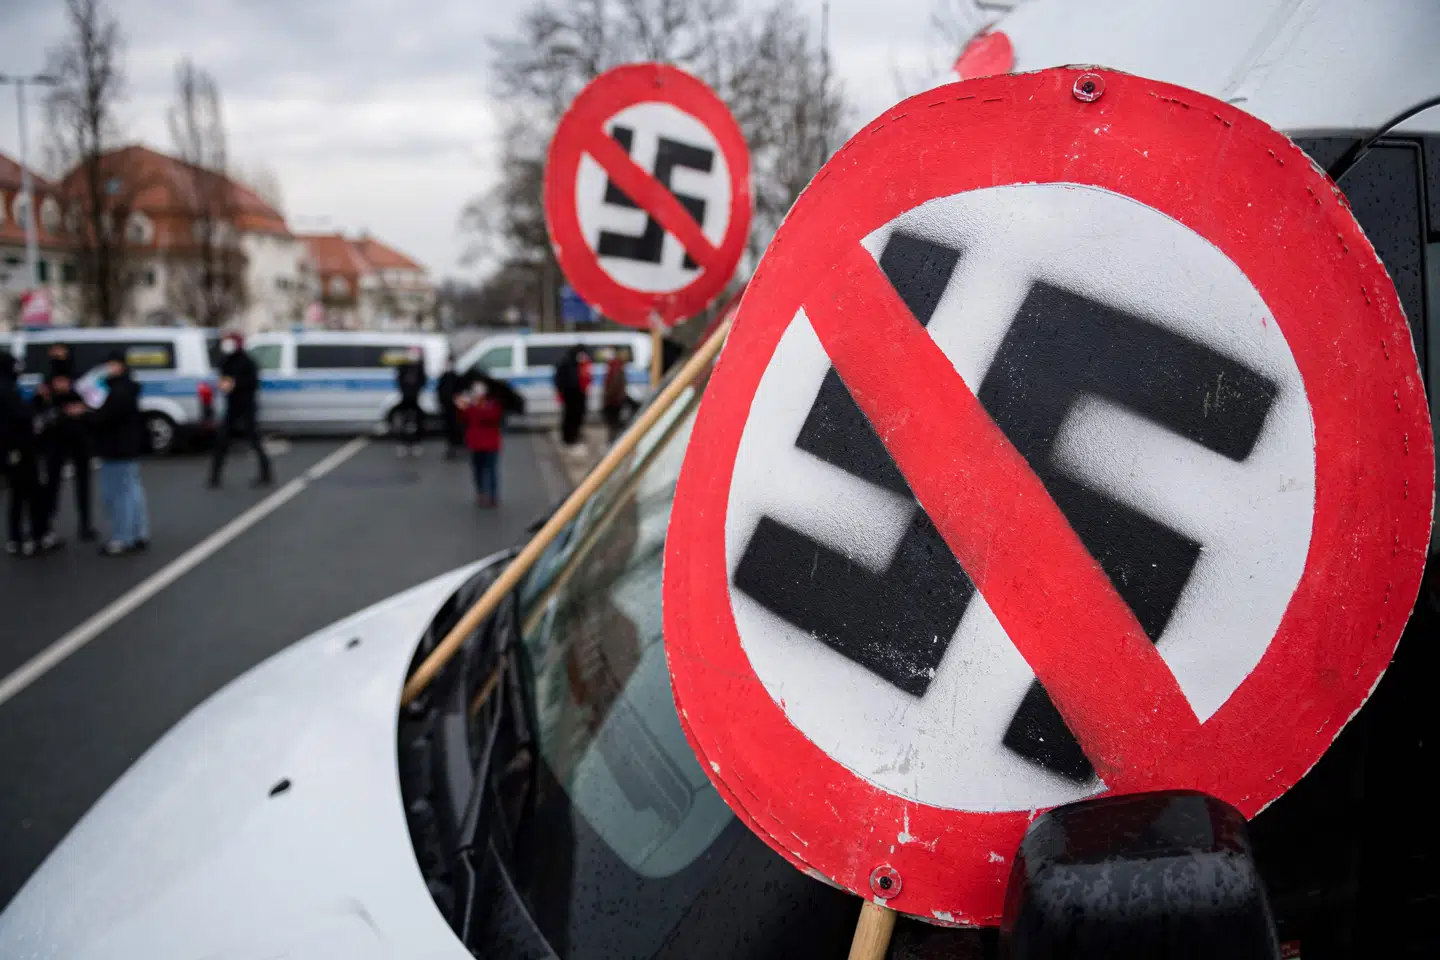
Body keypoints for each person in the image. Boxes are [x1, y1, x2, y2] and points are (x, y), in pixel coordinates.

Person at [87, 351, 150, 556]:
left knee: (116, 494)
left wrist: (88, 413)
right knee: (132, 491)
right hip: (127, 446)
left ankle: (122, 538)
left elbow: (105, 416)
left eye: (111, 364)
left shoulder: (116, 390)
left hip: (115, 447)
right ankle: (139, 532)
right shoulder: (128, 387)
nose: (108, 369)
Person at [33, 344, 96, 541]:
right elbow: (38, 407)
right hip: (55, 437)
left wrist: (77, 401)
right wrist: (46, 395)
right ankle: (46, 526)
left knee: (83, 483)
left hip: (78, 436)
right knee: (51, 484)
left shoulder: (79, 379)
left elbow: (92, 402)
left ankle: (85, 525)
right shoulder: (47, 381)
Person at [1, 354, 58, 555]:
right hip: (21, 450)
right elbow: (22, 416)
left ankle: (20, 537)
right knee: (30, 494)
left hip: (13, 451)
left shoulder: (8, 389)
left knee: (17, 496)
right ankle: (34, 536)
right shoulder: (7, 391)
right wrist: (38, 403)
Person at [207, 330, 273, 489]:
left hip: (247, 406)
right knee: (222, 440)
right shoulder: (226, 361)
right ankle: (214, 477)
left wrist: (236, 384)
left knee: (254, 440)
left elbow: (252, 383)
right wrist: (226, 385)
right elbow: (222, 380)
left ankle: (266, 474)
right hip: (232, 407)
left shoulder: (248, 362)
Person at [456, 379, 505, 507]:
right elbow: (463, 418)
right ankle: (481, 493)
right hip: (475, 443)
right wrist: (462, 407)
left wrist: (475, 408)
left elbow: (492, 418)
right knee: (477, 470)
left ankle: (492, 495)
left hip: (490, 444)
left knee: (490, 470)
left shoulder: (492, 405)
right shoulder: (470, 406)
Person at [394, 346, 426, 458]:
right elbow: (399, 381)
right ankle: (403, 444)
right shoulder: (402, 367)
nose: (413, 356)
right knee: (404, 422)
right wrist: (406, 391)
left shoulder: (420, 368)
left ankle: (416, 443)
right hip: (405, 399)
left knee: (417, 422)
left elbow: (422, 382)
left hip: (415, 399)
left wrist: (415, 391)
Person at [554, 346, 587, 449]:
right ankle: (568, 438)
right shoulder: (567, 364)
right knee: (570, 418)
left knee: (574, 417)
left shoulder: (576, 364)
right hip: (571, 396)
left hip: (576, 395)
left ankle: (572, 437)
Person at [600, 347, 634, 442]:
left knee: (613, 422)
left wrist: (607, 396)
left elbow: (613, 385)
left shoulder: (614, 367)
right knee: (614, 421)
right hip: (615, 399)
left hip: (613, 400)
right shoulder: (617, 366)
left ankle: (613, 441)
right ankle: (614, 440)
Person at [436, 354, 463, 460]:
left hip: (456, 408)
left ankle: (458, 447)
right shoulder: (443, 377)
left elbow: (460, 391)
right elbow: (439, 391)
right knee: (448, 428)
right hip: (446, 407)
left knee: (457, 428)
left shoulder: (456, 377)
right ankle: (451, 447)